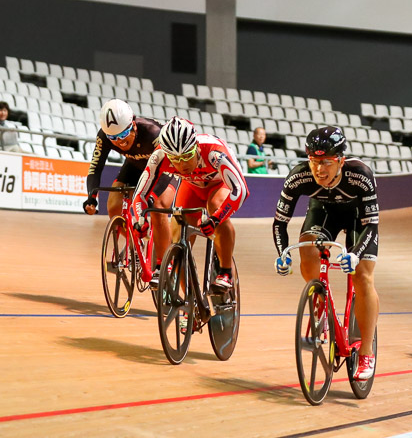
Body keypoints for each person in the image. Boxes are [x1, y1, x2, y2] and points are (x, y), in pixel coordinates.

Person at [273, 126, 379, 381]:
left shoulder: (361, 175)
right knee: (307, 249)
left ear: (341, 161)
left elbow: (372, 226)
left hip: (357, 217)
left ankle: (366, 352)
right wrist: (282, 253)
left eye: (326, 162)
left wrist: (356, 254)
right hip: (323, 212)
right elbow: (280, 223)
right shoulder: (298, 177)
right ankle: (320, 304)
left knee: (362, 274)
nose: (319, 169)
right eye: (313, 161)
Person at [132, 116, 249, 307]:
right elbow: (140, 195)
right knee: (179, 238)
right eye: (175, 159)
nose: (182, 164)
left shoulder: (213, 152)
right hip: (192, 186)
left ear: (195, 146)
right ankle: (191, 302)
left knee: (215, 205)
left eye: (187, 156)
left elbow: (241, 190)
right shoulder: (160, 156)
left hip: (219, 184)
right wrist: (140, 220)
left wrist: (216, 219)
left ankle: (225, 271)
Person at [83, 99, 176, 281]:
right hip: (134, 166)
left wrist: (151, 195)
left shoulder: (153, 133)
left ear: (133, 124)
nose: (120, 142)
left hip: (164, 167)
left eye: (124, 135)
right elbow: (95, 166)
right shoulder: (105, 135)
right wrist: (91, 196)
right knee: (113, 205)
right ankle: (135, 243)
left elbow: (167, 167)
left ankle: (163, 265)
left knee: (157, 207)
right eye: (114, 138)